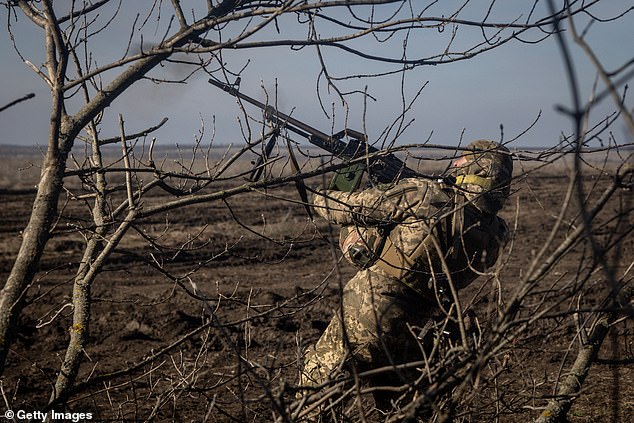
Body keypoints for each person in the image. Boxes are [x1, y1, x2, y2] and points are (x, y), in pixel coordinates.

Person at [298, 140, 513, 417]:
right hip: (417, 332)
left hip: (367, 315)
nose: (456, 162)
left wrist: (330, 186)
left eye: (463, 159)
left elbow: (340, 207)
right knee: (401, 410)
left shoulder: (424, 195)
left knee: (316, 392)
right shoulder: (496, 232)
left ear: (477, 168)